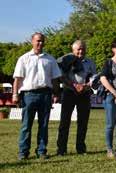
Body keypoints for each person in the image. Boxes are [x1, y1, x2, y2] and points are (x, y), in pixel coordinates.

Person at [13, 32, 61, 160]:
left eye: (42, 41)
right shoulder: (23, 58)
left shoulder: (50, 59)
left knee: (44, 125)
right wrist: (15, 95)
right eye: (38, 41)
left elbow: (55, 79)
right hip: (28, 95)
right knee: (26, 125)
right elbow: (17, 79)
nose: (40, 43)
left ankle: (41, 151)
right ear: (32, 41)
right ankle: (23, 152)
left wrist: (56, 93)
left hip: (46, 94)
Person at [56, 40, 97, 156]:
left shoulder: (90, 62)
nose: (81, 51)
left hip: (85, 93)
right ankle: (61, 149)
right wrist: (74, 85)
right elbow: (61, 76)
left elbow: (94, 76)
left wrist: (87, 84)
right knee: (64, 122)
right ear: (73, 50)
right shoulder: (65, 60)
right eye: (78, 49)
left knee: (83, 122)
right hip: (69, 92)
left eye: (83, 48)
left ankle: (81, 148)